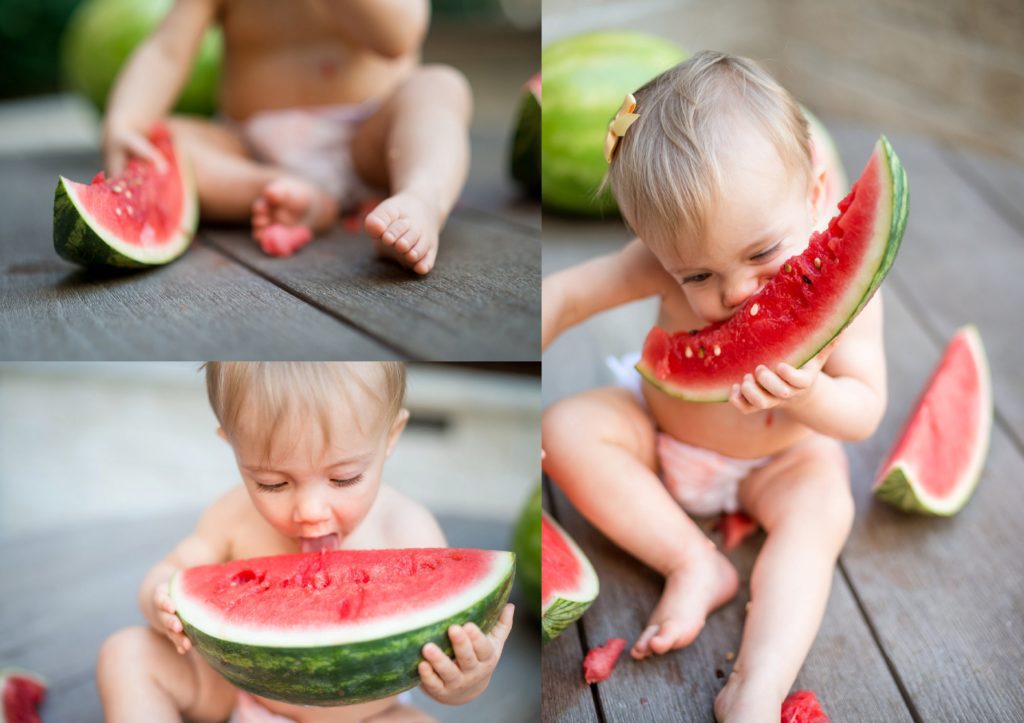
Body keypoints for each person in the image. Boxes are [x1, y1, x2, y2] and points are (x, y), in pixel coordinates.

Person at [542, 51, 887, 722]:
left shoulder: (850, 290)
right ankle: (691, 561)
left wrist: (810, 396)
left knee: (821, 516)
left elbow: (865, 409)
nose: (732, 292)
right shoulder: (657, 263)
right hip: (665, 434)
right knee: (568, 428)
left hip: (784, 459)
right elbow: (567, 296)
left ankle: (756, 684)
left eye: (761, 255)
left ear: (818, 193)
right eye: (696, 275)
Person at [97, 362, 514, 723]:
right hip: (240, 694)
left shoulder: (409, 530)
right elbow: (171, 571)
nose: (311, 509)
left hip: (365, 712)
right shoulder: (232, 514)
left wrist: (464, 683)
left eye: (343, 478)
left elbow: (440, 665)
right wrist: (160, 602)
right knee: (126, 652)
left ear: (391, 435)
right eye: (272, 483)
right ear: (233, 446)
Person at [102, 0, 471, 273]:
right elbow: (166, 51)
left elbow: (399, 35)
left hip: (371, 139)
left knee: (440, 87)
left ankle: (421, 196)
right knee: (164, 141)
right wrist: (126, 120)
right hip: (251, 149)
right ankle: (284, 192)